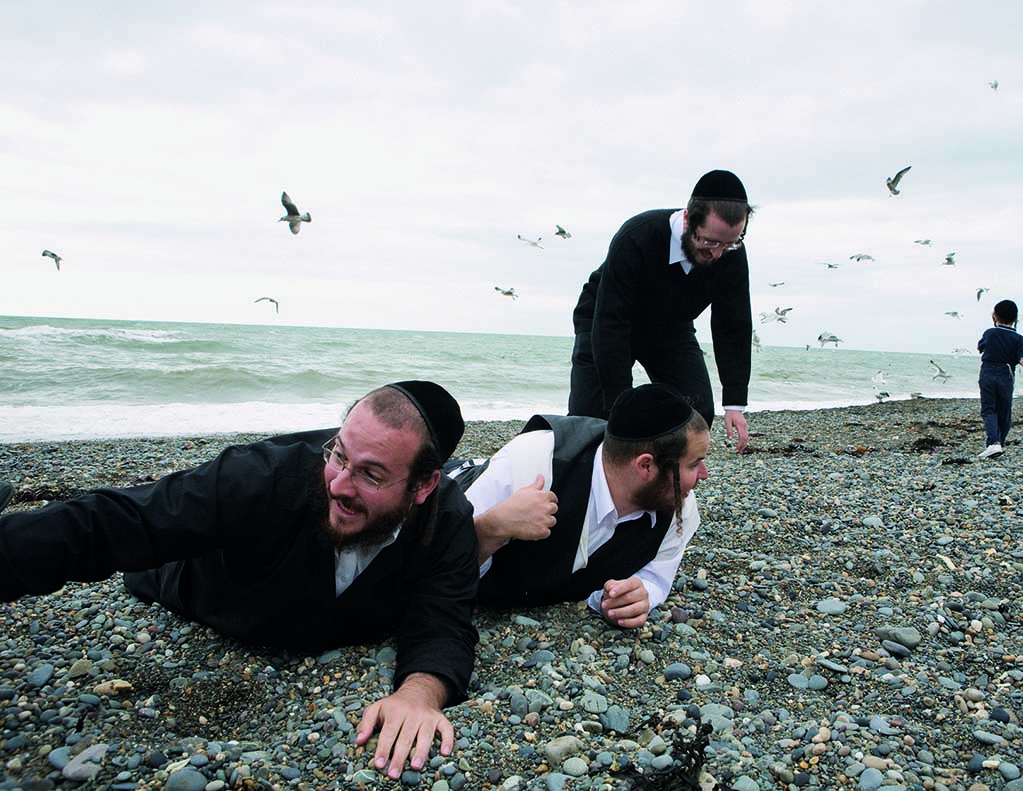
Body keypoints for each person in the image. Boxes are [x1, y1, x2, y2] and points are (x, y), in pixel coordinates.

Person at [0, 382, 478, 779]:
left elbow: (443, 619)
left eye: (371, 475)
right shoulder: (262, 476)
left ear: (423, 485)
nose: (338, 483)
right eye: (338, 454)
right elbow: (123, 522)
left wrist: (418, 693)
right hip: (188, 584)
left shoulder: (449, 519)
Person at [449, 383, 709, 629]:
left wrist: (637, 594)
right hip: (456, 483)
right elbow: (436, 564)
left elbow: (656, 575)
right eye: (694, 463)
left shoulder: (679, 503)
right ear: (646, 465)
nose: (704, 474)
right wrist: (492, 527)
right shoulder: (533, 463)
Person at [568, 169, 755, 453]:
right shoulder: (637, 236)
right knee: (593, 419)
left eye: (729, 243)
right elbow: (611, 323)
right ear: (688, 218)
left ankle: (658, 475)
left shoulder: (731, 255)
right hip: (606, 320)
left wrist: (734, 402)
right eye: (709, 242)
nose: (717, 254)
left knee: (697, 412)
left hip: (671, 328)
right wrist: (620, 402)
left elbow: (734, 324)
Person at [977, 300, 1023, 458]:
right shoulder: (1019, 339)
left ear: (994, 317)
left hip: (987, 372)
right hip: (1006, 374)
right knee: (1004, 411)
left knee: (989, 409)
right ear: (1016, 319)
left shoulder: (990, 333)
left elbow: (981, 347)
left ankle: (994, 443)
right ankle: (999, 442)